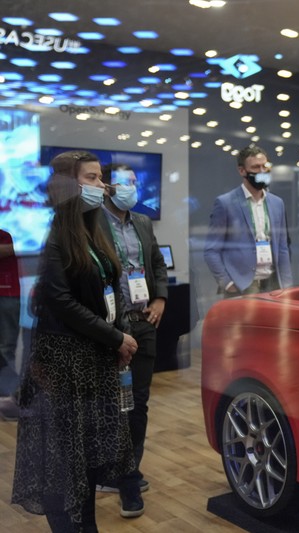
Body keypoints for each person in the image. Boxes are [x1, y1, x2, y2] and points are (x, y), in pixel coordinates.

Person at [12, 150, 138, 531]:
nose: (103, 187)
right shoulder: (57, 234)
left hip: (94, 360)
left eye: (101, 178)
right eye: (93, 178)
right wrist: (115, 337)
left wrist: (118, 335)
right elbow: (61, 300)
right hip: (65, 364)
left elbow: (107, 287)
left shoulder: (91, 228)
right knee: (63, 465)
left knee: (86, 464)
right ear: (69, 184)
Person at [94, 163, 169, 515]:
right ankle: (120, 475)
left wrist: (160, 299)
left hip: (144, 324)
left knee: (138, 404)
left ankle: (128, 473)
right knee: (114, 406)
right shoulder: (91, 224)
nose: (133, 188)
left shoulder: (141, 222)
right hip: (112, 328)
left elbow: (156, 265)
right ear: (108, 186)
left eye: (136, 182)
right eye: (127, 182)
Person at [204, 145, 293, 296]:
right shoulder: (225, 203)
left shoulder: (277, 203)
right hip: (242, 286)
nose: (262, 171)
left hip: (274, 284)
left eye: (265, 166)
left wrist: (287, 285)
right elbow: (211, 251)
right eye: (256, 167)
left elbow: (283, 247)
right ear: (242, 171)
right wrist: (228, 284)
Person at [0, 228, 21, 417]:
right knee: (6, 346)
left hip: (16, 291)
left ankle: (9, 398)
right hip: (7, 292)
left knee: (8, 346)